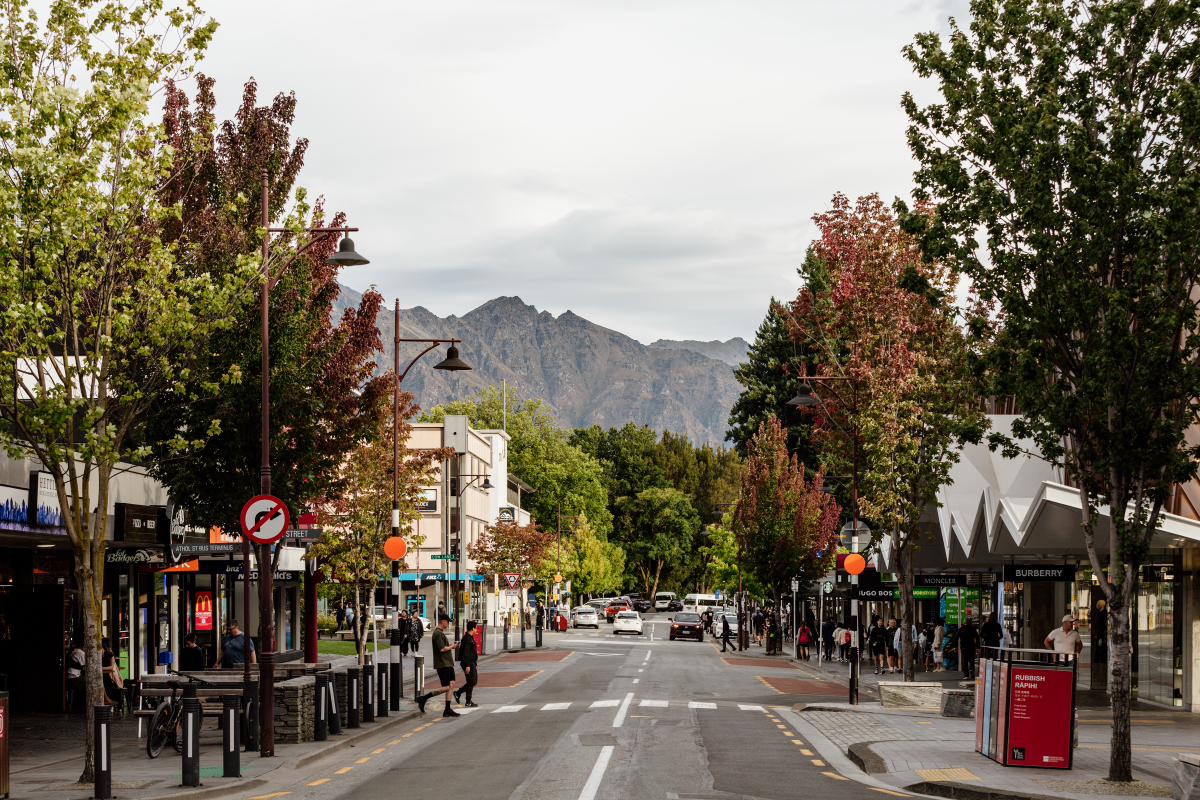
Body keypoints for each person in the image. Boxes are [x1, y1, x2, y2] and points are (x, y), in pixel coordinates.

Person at [415, 614, 460, 718]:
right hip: (442, 663)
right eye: (448, 621)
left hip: (447, 663)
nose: (449, 623)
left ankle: (447, 709)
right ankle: (423, 698)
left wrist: (450, 646)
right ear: (442, 621)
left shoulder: (441, 633)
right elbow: (441, 649)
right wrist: (452, 647)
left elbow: (444, 647)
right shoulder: (438, 633)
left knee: (452, 684)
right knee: (446, 687)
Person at [453, 620, 480, 708]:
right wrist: (468, 665)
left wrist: (475, 664)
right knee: (471, 681)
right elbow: (466, 653)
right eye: (475, 628)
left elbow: (472, 653)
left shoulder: (470, 637)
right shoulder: (467, 639)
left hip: (472, 662)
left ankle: (458, 693)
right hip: (468, 662)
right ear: (472, 628)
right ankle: (468, 701)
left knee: (473, 681)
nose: (476, 629)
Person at [101, 637, 124, 706]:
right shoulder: (97, 657)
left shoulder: (110, 655)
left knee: (104, 684)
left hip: (109, 677)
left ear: (104, 649)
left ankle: (108, 701)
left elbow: (112, 668)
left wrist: (100, 668)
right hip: (102, 676)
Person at [66, 638, 85, 710]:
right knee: (95, 682)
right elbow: (86, 667)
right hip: (74, 679)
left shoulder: (75, 652)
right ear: (83, 647)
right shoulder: (80, 653)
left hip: (71, 679)